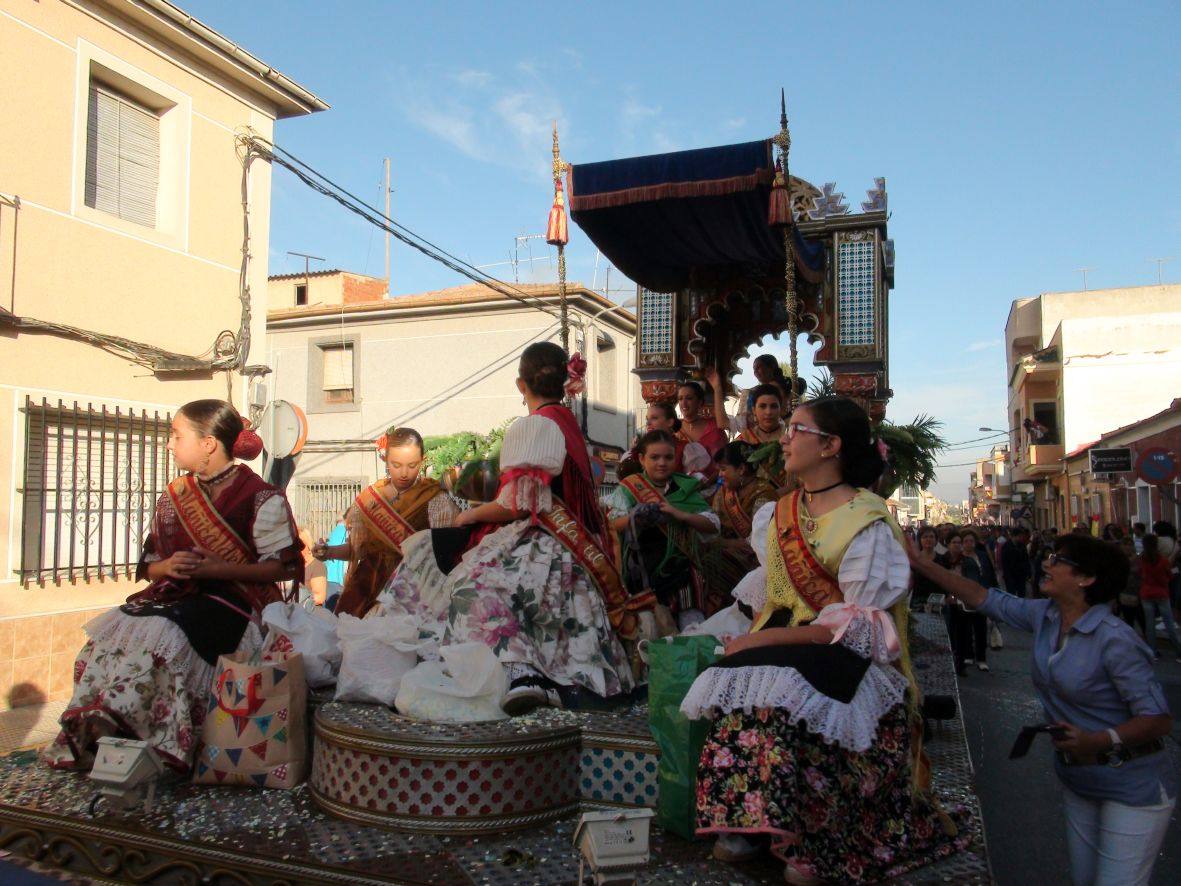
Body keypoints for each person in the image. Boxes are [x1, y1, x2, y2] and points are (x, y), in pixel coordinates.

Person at [682, 397, 961, 884]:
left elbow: (853, 628)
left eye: (796, 429)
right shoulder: (780, 512)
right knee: (731, 680)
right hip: (785, 639)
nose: (784, 440)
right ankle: (751, 823)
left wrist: (757, 646)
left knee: (779, 695)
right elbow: (771, 593)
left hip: (844, 651)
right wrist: (743, 636)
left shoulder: (866, 522)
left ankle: (813, 838)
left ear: (830, 446)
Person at [44, 400, 302, 772]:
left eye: (177, 436)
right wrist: (168, 566)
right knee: (115, 630)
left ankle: (161, 748)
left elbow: (282, 568)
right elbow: (150, 566)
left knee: (163, 631)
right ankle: (105, 741)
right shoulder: (175, 494)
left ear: (209, 443)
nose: (169, 444)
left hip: (236, 602)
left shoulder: (260, 496)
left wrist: (219, 570)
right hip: (177, 596)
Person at [911, 534, 1176, 886]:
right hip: (1079, 778)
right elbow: (982, 597)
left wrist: (1099, 740)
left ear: (1086, 579)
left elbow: (1158, 719)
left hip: (1132, 784)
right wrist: (919, 562)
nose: (1047, 564)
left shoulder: (1115, 638)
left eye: (1059, 560)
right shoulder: (1046, 616)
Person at [383, 343, 634, 714]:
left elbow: (520, 503)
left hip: (542, 538)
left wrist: (468, 516)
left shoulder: (535, 426)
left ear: (521, 385)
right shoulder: (568, 423)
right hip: (573, 543)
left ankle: (521, 672)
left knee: (471, 588)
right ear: (565, 381)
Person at [312, 428, 457, 618]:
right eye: (396, 465)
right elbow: (359, 549)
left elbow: (446, 555)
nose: (404, 473)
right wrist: (329, 552)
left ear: (423, 460)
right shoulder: (372, 498)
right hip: (365, 590)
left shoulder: (436, 499)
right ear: (385, 460)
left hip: (412, 595)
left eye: (412, 465)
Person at [607, 429, 720, 628]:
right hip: (641, 573)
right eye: (654, 457)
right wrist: (636, 517)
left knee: (691, 626)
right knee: (648, 630)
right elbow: (610, 524)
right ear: (642, 459)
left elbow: (712, 526)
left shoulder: (686, 488)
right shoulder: (629, 488)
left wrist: (679, 514)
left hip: (682, 572)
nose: (662, 463)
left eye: (668, 457)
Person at [697, 441, 777, 616]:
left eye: (724, 469)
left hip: (753, 558)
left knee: (711, 563)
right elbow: (715, 522)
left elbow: (758, 539)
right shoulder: (726, 491)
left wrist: (723, 544)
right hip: (726, 549)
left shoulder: (764, 493)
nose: (720, 474)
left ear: (741, 469)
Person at [625, 401, 712, 480]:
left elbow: (695, 483)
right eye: (647, 419)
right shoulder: (639, 449)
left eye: (654, 418)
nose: (648, 423)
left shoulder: (686, 449)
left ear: (670, 422)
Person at [1139, 534, 1181, 661]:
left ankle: (1152, 652)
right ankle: (1179, 652)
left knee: (1150, 625)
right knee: (1169, 624)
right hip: (1162, 593)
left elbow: (1140, 574)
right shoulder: (1162, 561)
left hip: (1146, 593)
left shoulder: (1142, 559)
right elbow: (1170, 575)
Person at [675, 380, 728, 457]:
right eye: (680, 399)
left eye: (689, 398)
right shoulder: (674, 428)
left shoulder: (714, 427)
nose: (683, 403)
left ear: (699, 402)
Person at [1117, 537, 1147, 639]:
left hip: (1139, 592)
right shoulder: (1119, 559)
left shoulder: (1139, 558)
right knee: (1128, 619)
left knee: (1142, 619)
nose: (1128, 547)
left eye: (1130, 544)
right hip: (1124, 593)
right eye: (1126, 544)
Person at [1001, 526, 1033, 598]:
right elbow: (1004, 563)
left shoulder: (1022, 546)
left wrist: (1028, 573)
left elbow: (1026, 559)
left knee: (1021, 594)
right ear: (1014, 536)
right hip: (1010, 575)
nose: (1021, 538)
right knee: (1011, 595)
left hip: (1021, 575)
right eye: (1020, 536)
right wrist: (1007, 576)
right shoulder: (1006, 546)